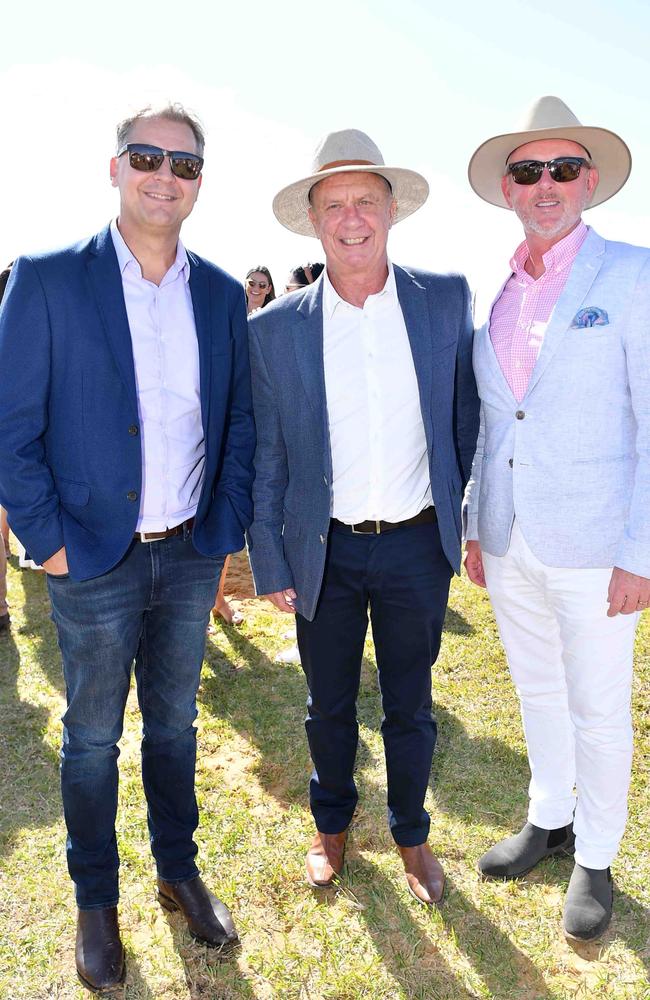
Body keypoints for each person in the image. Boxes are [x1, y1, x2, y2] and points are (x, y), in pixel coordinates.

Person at [0, 103, 255, 990]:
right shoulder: (44, 279)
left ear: (198, 184)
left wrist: (222, 532)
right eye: (147, 156)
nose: (165, 175)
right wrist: (51, 546)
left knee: (177, 726)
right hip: (92, 561)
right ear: (115, 168)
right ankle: (95, 900)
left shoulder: (223, 296)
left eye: (184, 164)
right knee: (92, 738)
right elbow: (10, 428)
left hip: (188, 555)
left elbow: (239, 425)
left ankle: (178, 872)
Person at [247, 129, 479, 906]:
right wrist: (272, 564)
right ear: (314, 220)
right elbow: (267, 460)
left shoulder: (443, 299)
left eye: (366, 202)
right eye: (335, 204)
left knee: (412, 702)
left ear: (391, 212)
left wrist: (462, 521)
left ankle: (412, 836)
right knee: (329, 703)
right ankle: (332, 827)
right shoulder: (274, 330)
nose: (352, 219)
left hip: (417, 545)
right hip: (328, 551)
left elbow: (465, 421)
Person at [464, 96, 649, 941]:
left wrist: (642, 548)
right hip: (509, 536)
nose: (547, 184)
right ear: (508, 188)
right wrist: (474, 522)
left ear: (591, 181)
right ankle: (550, 817)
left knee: (599, 705)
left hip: (597, 542)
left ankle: (599, 855)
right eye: (530, 171)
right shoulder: (499, 290)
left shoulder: (635, 277)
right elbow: (497, 421)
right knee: (536, 687)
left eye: (564, 169)